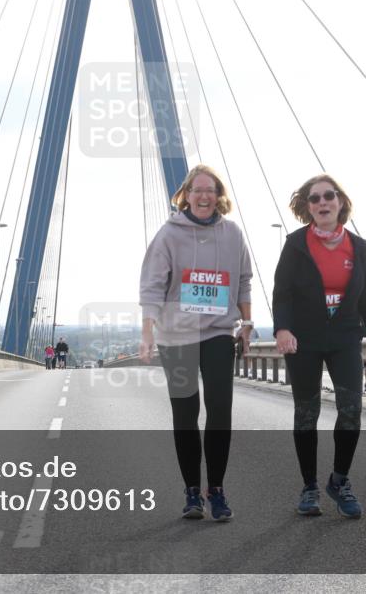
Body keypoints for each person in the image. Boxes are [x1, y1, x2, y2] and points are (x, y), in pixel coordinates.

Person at [139, 164, 253, 522]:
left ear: (219, 196)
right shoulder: (168, 235)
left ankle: (215, 490)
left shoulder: (232, 234)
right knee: (186, 413)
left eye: (210, 190)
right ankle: (192, 492)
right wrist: (147, 332)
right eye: (197, 189)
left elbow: (245, 280)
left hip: (219, 331)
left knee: (220, 408)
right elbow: (152, 286)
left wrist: (247, 323)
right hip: (178, 335)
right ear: (185, 195)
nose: (204, 196)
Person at [273, 174, 366, 519]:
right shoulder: (295, 245)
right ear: (307, 208)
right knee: (307, 414)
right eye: (314, 198)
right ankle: (309, 488)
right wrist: (283, 329)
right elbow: (282, 293)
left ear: (340, 202)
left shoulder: (358, 248)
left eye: (328, 196)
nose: (322, 203)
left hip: (345, 338)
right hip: (303, 340)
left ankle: (339, 481)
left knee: (351, 410)